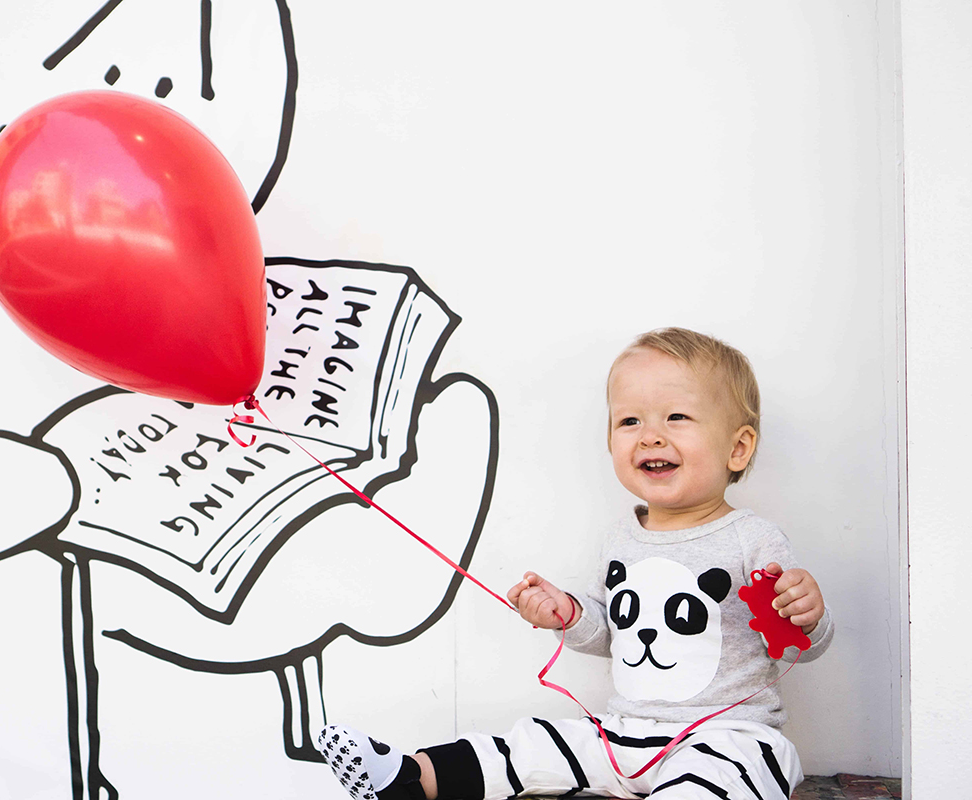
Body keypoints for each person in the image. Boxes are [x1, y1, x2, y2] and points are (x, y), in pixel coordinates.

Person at [317, 327, 833, 800]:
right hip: (625, 734)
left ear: (737, 448)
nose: (649, 435)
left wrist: (808, 614)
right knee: (534, 743)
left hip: (728, 735)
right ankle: (408, 777)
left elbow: (799, 646)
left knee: (720, 777)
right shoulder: (621, 538)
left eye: (675, 417)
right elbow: (610, 632)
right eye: (629, 421)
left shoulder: (753, 539)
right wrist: (566, 612)